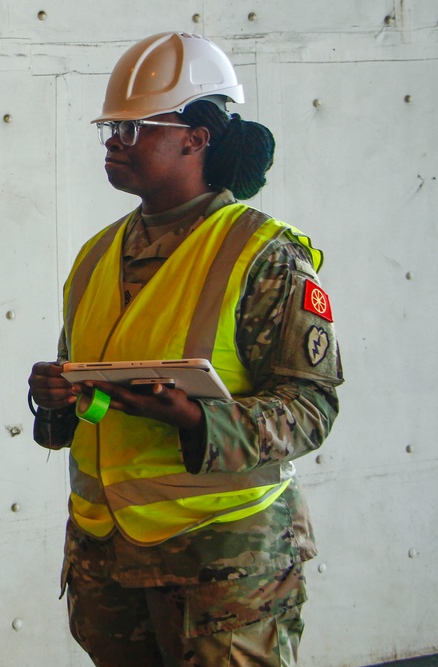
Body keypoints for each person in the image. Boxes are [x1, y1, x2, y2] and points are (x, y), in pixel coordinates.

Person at [27, 32, 342, 666]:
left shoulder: (264, 254)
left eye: (133, 127)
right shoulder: (96, 257)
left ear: (196, 138)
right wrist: (60, 400)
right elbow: (94, 415)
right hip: (109, 562)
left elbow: (311, 407)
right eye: (110, 128)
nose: (114, 142)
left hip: (223, 572)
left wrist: (200, 422)